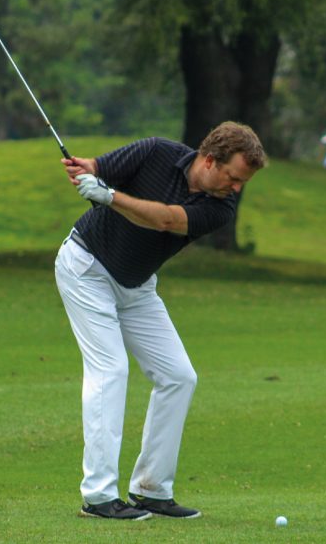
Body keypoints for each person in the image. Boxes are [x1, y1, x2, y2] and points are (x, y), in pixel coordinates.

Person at [54, 121, 267, 521]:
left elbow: (166, 219)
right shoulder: (155, 152)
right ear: (208, 160)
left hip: (135, 287)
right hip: (86, 268)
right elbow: (97, 167)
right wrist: (85, 171)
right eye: (234, 177)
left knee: (179, 376)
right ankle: (98, 496)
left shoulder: (220, 207)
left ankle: (151, 489)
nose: (237, 188)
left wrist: (110, 197)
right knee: (111, 370)